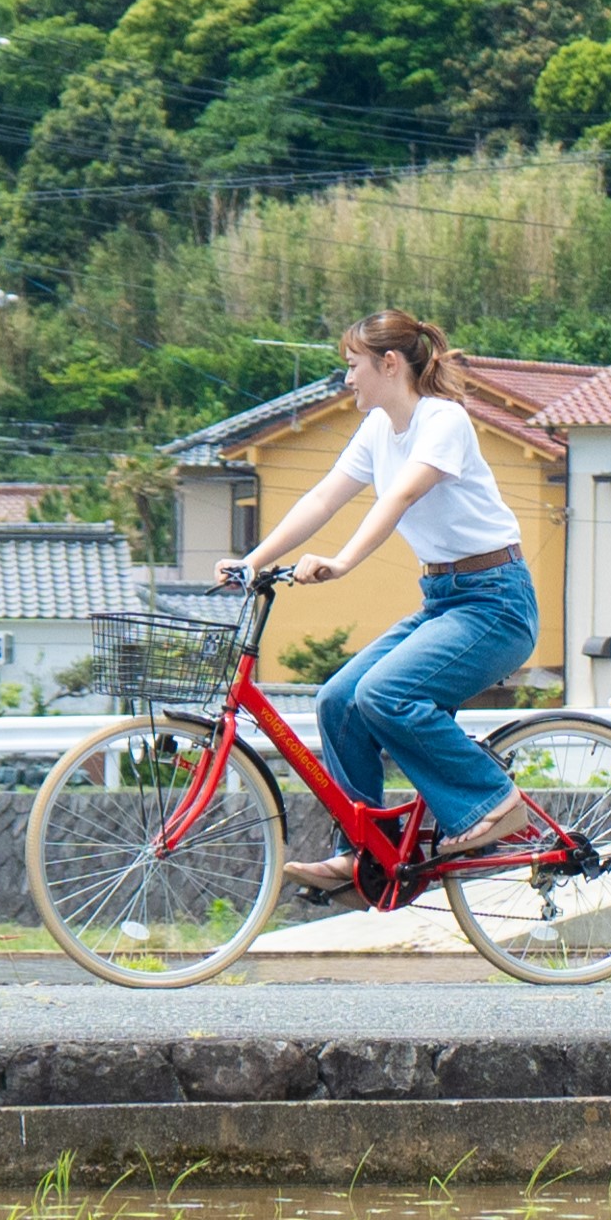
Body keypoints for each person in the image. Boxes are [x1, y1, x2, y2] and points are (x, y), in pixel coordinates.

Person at [227, 309, 533, 892]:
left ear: (389, 364)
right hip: (444, 599)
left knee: (385, 694)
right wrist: (253, 561)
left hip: (496, 602)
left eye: (353, 366)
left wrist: (343, 562)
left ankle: (493, 802)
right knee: (339, 699)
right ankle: (364, 853)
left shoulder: (443, 420)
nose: (347, 380)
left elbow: (399, 497)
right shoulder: (376, 430)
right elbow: (324, 498)